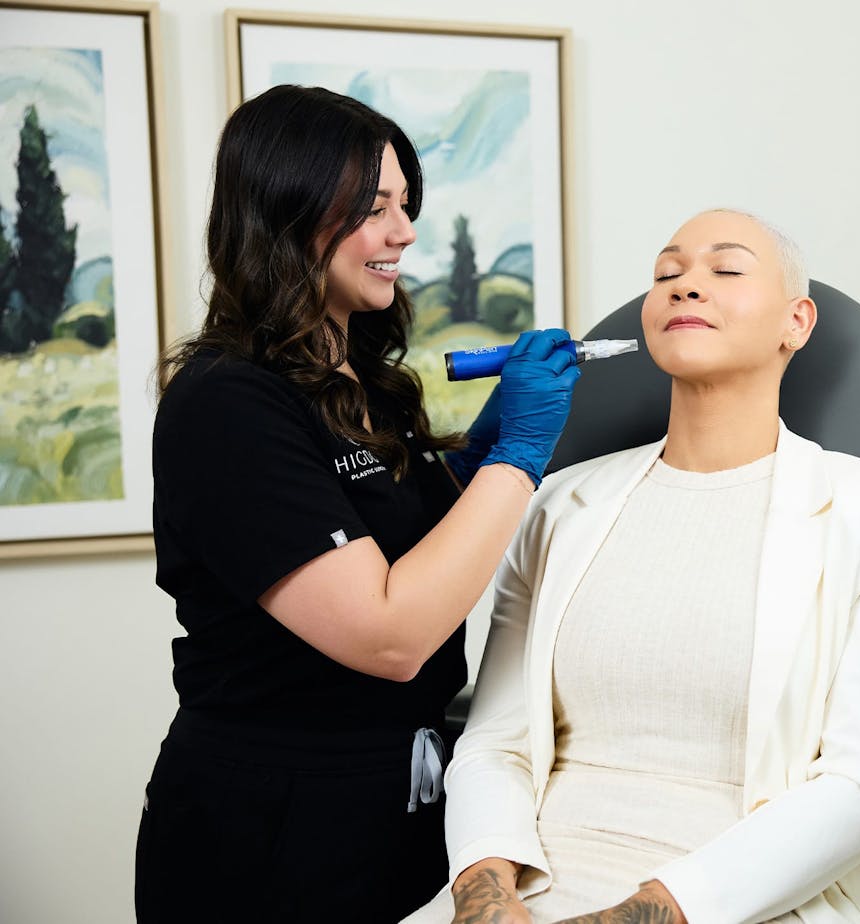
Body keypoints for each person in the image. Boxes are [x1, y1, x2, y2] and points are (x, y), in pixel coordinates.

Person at [405, 209, 860, 923]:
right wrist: (486, 894)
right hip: (534, 878)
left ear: (797, 322)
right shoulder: (558, 504)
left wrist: (642, 912)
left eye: (725, 270)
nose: (687, 286)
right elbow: (494, 740)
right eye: (667, 274)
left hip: (757, 893)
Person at [135, 85, 579, 924]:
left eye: (405, 205)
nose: (403, 233)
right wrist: (518, 458)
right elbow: (389, 635)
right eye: (374, 208)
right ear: (287, 210)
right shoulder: (227, 403)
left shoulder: (362, 381)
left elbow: (411, 544)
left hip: (404, 810)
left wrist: (473, 458)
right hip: (269, 831)